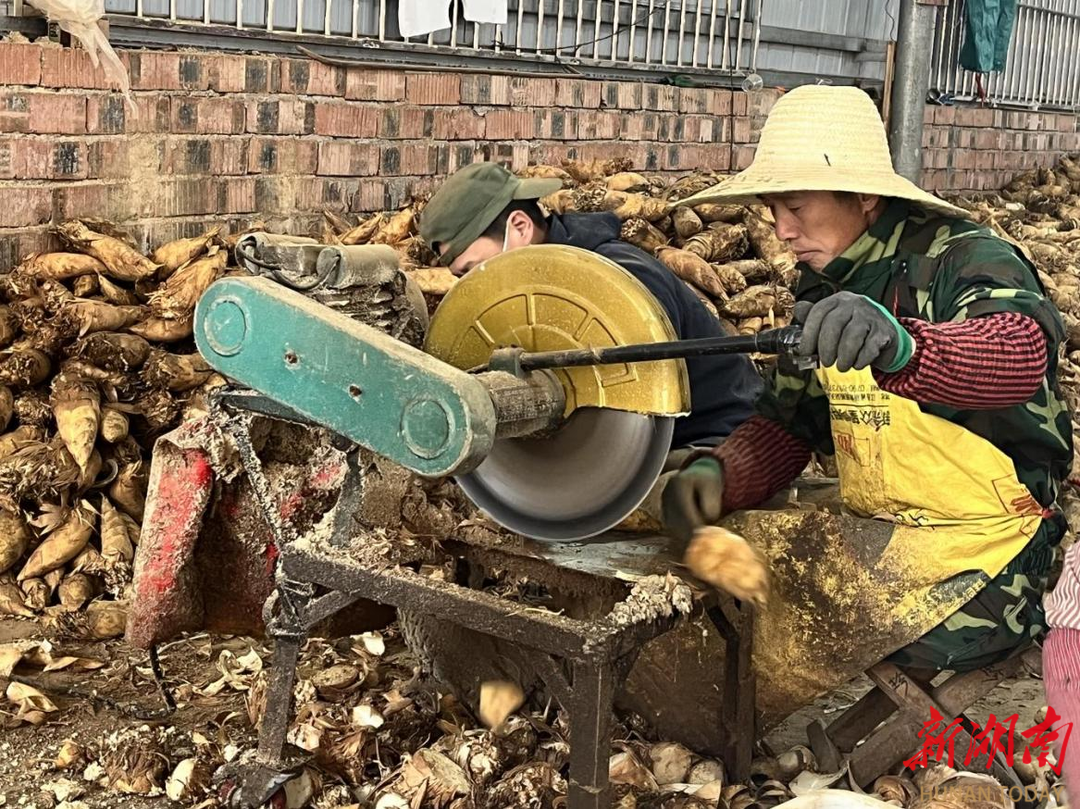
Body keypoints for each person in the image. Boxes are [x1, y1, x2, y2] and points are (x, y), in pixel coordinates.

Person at [662, 84, 1074, 672]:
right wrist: (722, 475)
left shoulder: (965, 258)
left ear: (863, 196)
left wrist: (904, 349)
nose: (781, 230)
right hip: (888, 526)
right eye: (773, 210)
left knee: (802, 617)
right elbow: (793, 421)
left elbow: (1018, 353)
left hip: (994, 542)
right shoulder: (825, 279)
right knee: (719, 596)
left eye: (796, 207)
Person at [418, 161, 763, 450]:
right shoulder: (529, 294)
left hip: (722, 438)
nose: (474, 284)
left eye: (474, 268)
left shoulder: (622, 276)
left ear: (520, 227)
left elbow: (638, 413)